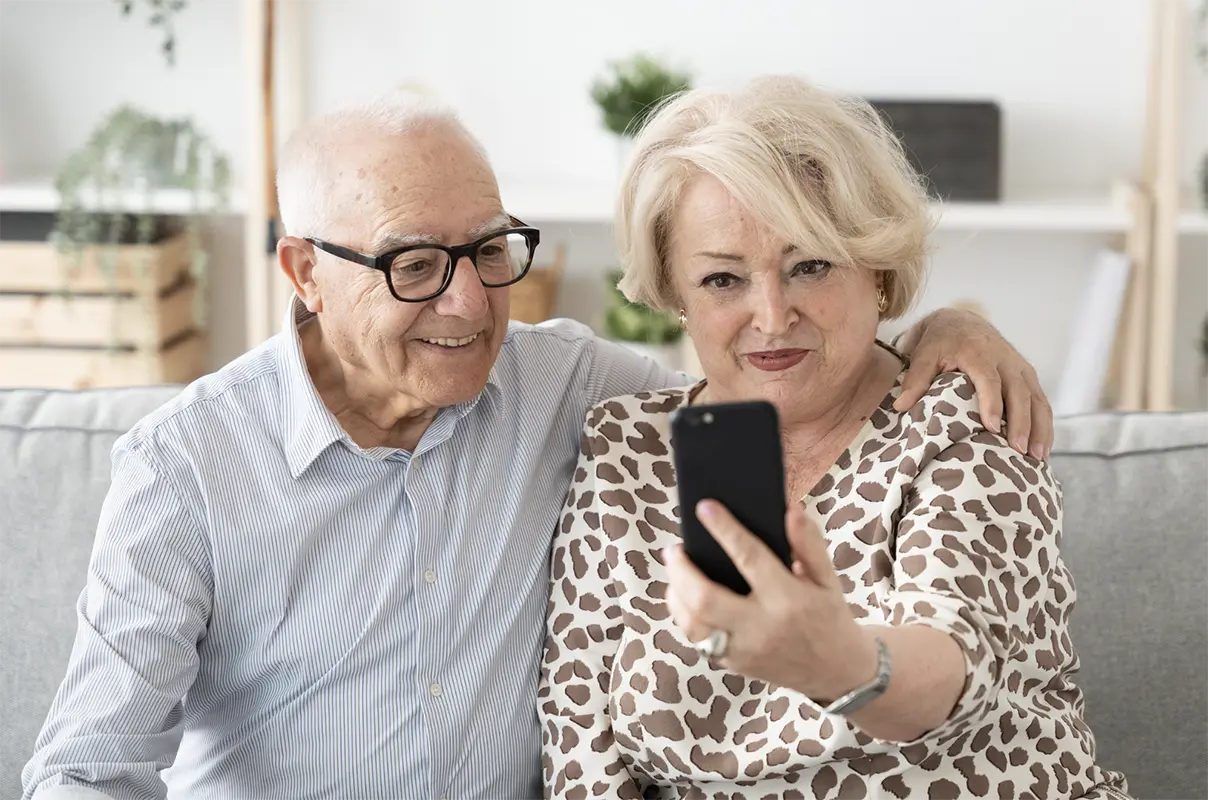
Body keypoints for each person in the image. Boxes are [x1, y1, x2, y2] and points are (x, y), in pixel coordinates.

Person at [23, 90, 1053, 800]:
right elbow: (85, 769)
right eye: (414, 265)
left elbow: (774, 361)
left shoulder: (570, 390)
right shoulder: (185, 466)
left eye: (488, 249)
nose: (471, 305)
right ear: (303, 272)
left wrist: (945, 327)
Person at [539, 76, 1130, 799]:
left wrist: (839, 663)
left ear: (876, 267)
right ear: (675, 293)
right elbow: (581, 747)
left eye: (810, 266)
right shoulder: (624, 448)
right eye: (722, 279)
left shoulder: (963, 422)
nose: (771, 315)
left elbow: (953, 673)